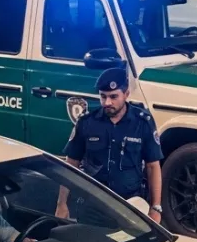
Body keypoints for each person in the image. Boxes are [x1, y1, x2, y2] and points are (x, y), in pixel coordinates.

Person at [57, 67, 164, 223]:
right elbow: (71, 164)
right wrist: (61, 203)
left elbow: (153, 166)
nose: (107, 102)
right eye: (103, 96)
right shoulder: (87, 122)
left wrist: (155, 208)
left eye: (114, 97)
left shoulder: (142, 122)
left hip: (130, 206)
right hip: (92, 206)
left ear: (126, 94)